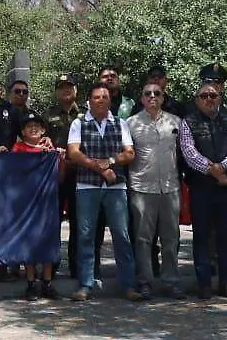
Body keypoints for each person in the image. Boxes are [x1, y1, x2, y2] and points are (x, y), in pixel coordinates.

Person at [67, 83, 141, 302]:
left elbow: (130, 153)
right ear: (89, 100)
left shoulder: (120, 123)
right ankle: (86, 284)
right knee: (86, 235)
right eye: (96, 97)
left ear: (110, 100)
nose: (100, 100)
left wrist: (109, 161)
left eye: (104, 96)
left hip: (116, 187)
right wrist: (96, 166)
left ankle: (128, 284)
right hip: (87, 186)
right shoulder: (78, 123)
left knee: (122, 235)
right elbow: (73, 152)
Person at [178, 79, 227, 299]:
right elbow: (189, 153)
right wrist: (213, 171)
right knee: (201, 237)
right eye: (204, 96)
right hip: (201, 188)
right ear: (197, 100)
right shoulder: (188, 122)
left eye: (213, 96)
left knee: (226, 237)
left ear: (220, 98)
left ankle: (225, 283)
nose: (209, 99)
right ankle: (205, 285)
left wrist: (223, 167)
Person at [124, 81, 185, 300]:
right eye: (147, 93)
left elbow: (184, 153)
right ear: (141, 98)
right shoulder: (130, 124)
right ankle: (145, 281)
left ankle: (171, 281)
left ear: (163, 97)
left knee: (171, 238)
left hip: (170, 187)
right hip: (141, 187)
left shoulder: (175, 122)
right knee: (142, 239)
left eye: (157, 93)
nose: (152, 97)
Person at [12, 111, 59, 301]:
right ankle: (31, 283)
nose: (33, 128)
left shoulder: (48, 150)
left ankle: (47, 282)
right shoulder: (17, 148)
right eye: (29, 126)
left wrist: (56, 155)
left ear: (43, 130)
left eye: (37, 126)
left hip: (46, 202)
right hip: (25, 203)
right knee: (28, 243)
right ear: (23, 131)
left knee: (47, 242)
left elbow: (60, 174)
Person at [44, 73, 81, 280]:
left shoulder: (85, 114)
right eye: (61, 87)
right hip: (55, 174)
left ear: (75, 90)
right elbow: (41, 138)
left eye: (69, 86)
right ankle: (53, 265)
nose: (66, 90)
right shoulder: (48, 114)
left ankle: (77, 266)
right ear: (56, 92)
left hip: (80, 173)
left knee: (78, 220)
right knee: (53, 220)